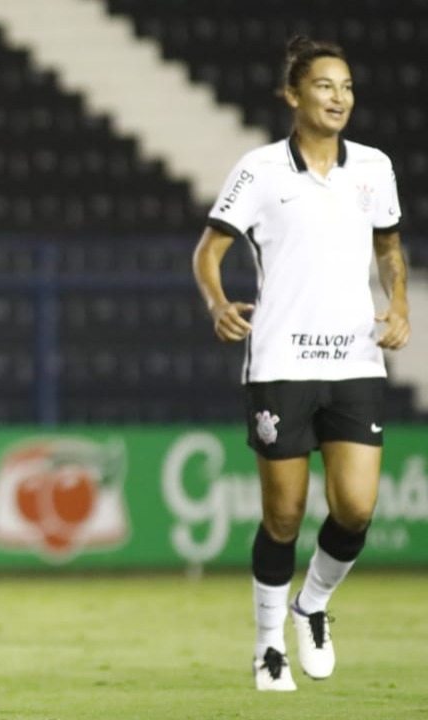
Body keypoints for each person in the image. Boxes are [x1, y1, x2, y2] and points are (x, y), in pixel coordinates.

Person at [192, 36, 410, 692]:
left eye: (346, 85)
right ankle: (267, 646)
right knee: (283, 515)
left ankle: (311, 604)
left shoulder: (374, 167)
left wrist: (398, 304)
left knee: (356, 508)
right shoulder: (259, 170)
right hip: (281, 361)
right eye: (324, 85)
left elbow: (390, 246)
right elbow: (208, 251)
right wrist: (217, 303)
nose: (339, 96)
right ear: (293, 95)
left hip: (356, 359)